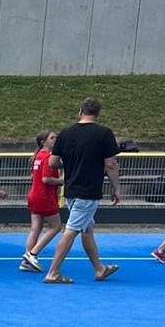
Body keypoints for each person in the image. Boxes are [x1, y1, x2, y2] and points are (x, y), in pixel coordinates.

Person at [44, 99, 122, 284]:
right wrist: (116, 187)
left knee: (87, 228)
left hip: (71, 189)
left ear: (80, 111)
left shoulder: (65, 133)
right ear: (97, 113)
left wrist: (71, 164)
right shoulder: (104, 133)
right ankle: (53, 272)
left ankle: (99, 268)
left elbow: (52, 162)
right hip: (88, 190)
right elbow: (111, 164)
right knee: (71, 230)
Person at [21, 129, 63, 272]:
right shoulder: (46, 157)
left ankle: (26, 262)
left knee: (35, 228)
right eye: (52, 138)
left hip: (34, 195)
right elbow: (46, 179)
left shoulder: (38, 156)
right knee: (56, 227)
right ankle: (32, 254)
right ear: (43, 142)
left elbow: (35, 177)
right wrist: (61, 181)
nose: (55, 140)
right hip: (44, 197)